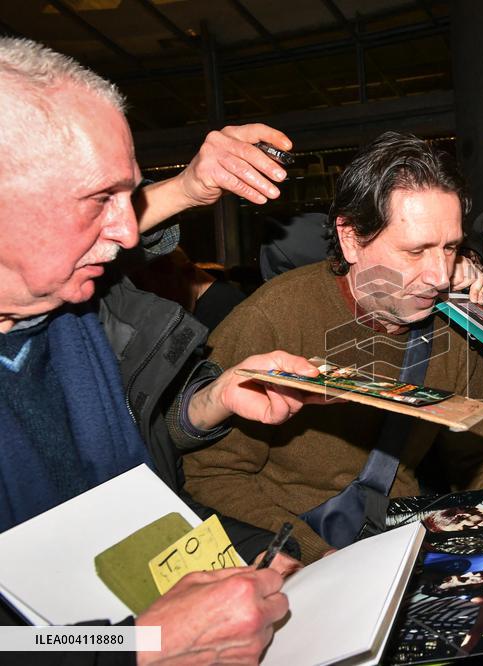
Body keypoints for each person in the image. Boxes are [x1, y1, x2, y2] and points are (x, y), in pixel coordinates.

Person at [0, 37, 328, 662]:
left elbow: (139, 506)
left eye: (128, 196)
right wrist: (136, 646)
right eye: (99, 200)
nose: (128, 231)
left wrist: (256, 561)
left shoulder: (75, 316)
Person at [183, 131, 483, 563]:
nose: (440, 275)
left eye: (450, 247)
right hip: (290, 558)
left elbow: (478, 459)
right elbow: (210, 476)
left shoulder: (451, 327)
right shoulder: (271, 320)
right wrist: (315, 557)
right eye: (416, 251)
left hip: (393, 546)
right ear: (350, 239)